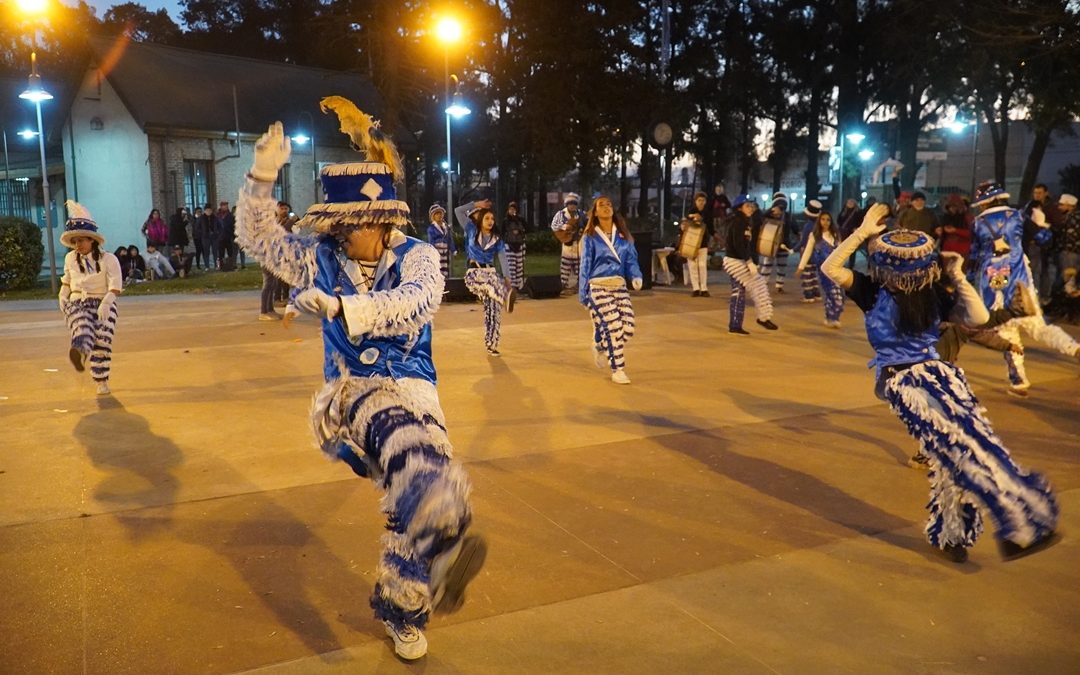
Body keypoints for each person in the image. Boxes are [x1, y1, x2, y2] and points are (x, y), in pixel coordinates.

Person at [235, 101, 485, 662]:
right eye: (334, 228)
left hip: (419, 392)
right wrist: (260, 176)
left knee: (411, 490)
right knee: (400, 439)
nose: (336, 236)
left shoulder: (421, 257)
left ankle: (405, 607)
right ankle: (447, 538)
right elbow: (258, 240)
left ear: (374, 222)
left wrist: (345, 307)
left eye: (345, 227)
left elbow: (414, 303)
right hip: (351, 394)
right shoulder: (318, 257)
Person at [820, 203, 1058, 563]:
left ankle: (955, 533)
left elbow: (830, 267)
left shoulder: (879, 291)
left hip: (928, 377)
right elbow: (979, 317)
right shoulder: (925, 291)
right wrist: (957, 276)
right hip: (917, 383)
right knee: (966, 446)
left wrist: (864, 232)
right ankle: (1020, 521)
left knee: (954, 453)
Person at [968, 181, 1079, 396]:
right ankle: (1073, 347)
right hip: (1019, 279)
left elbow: (973, 258)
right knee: (1036, 325)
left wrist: (970, 283)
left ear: (985, 203)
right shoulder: (1019, 216)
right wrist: (1042, 225)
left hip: (993, 282)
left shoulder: (977, 223)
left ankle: (1018, 379)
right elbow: (1045, 240)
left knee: (1006, 329)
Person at [58, 200, 123, 396]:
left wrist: (106, 303)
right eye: (74, 241)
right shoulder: (70, 259)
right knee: (82, 327)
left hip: (104, 302)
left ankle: (101, 380)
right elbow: (67, 281)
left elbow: (115, 285)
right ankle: (79, 351)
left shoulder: (109, 259)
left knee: (102, 343)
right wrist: (62, 295)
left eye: (81, 240)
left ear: (92, 240)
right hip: (78, 302)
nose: (77, 245)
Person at [579, 196, 642, 384]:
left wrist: (636, 275)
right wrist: (584, 293)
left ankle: (599, 341)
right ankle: (618, 369)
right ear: (595, 212)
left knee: (628, 328)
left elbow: (631, 260)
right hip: (598, 286)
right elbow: (585, 264)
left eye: (609, 204)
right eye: (601, 205)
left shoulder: (623, 236)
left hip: (619, 285)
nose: (606, 207)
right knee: (614, 327)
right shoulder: (589, 236)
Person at [454, 199, 516, 356]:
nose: (490, 221)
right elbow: (458, 211)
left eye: (492, 219)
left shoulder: (497, 239)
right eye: (487, 218)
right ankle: (503, 295)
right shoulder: (470, 230)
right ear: (480, 219)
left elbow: (503, 258)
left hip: (491, 274)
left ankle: (492, 344)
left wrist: (507, 278)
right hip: (474, 274)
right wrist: (476, 205)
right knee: (493, 285)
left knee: (493, 311)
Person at [722, 195, 778, 335]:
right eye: (747, 206)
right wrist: (748, 261)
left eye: (751, 205)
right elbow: (739, 245)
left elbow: (747, 244)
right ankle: (738, 324)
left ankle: (758, 318)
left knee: (751, 288)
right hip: (735, 261)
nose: (750, 208)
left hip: (740, 260)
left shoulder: (745, 221)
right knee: (744, 290)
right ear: (739, 208)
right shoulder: (738, 222)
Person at [796, 210, 844, 327]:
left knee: (838, 295)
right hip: (823, 271)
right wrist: (801, 267)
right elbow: (807, 252)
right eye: (823, 219)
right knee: (832, 293)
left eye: (828, 220)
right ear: (819, 221)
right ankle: (831, 317)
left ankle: (832, 317)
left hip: (837, 269)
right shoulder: (814, 236)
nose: (825, 222)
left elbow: (842, 251)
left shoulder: (836, 235)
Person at [757, 192, 791, 294]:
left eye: (782, 207)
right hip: (770, 244)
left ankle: (779, 285)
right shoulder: (769, 215)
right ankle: (763, 285)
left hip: (783, 245)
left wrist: (797, 233)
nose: (779, 209)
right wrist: (770, 211)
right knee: (767, 264)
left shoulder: (787, 216)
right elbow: (760, 218)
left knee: (782, 266)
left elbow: (792, 226)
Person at [682, 191, 714, 297]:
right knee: (692, 265)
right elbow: (684, 224)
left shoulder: (708, 213)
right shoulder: (690, 212)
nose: (701, 202)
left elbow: (711, 228)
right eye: (699, 200)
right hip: (690, 242)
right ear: (695, 201)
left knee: (702, 265)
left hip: (703, 242)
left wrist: (715, 238)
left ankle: (704, 288)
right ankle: (695, 288)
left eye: (703, 200)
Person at [550, 192, 583, 292]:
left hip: (578, 243)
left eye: (574, 203)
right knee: (565, 264)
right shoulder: (561, 214)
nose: (572, 205)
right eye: (570, 203)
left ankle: (579, 284)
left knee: (579, 264)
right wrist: (565, 227)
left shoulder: (581, 214)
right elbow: (554, 225)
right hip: (567, 242)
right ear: (566, 204)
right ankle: (563, 283)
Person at [795, 200, 824, 302]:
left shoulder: (808, 226)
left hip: (808, 254)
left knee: (807, 275)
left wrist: (794, 249)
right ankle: (817, 294)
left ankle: (809, 296)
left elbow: (803, 242)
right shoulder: (819, 225)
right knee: (813, 275)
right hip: (817, 254)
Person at [936, 193, 972, 265]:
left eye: (955, 207)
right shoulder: (946, 218)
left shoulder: (967, 218)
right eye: (950, 207)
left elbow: (971, 234)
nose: (952, 209)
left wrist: (956, 231)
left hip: (962, 253)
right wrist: (940, 231)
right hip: (947, 252)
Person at [502, 201, 528, 291]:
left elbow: (527, 229)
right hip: (509, 245)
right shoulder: (505, 221)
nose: (512, 211)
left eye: (513, 209)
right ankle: (511, 286)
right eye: (510, 209)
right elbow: (502, 233)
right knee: (511, 267)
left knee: (519, 267)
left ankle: (519, 286)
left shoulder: (520, 220)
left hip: (519, 245)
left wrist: (520, 231)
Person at [426, 203, 455, 280]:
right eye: (437, 214)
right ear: (433, 216)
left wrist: (453, 249)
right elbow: (431, 241)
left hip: (445, 251)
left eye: (440, 213)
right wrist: (432, 251)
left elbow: (449, 239)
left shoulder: (446, 227)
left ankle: (446, 281)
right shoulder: (431, 228)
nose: (439, 216)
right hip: (437, 251)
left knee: (445, 268)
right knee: (438, 268)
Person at [217, 200, 238, 270]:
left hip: (228, 236)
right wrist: (217, 234)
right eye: (224, 205)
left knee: (230, 252)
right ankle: (221, 266)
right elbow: (215, 226)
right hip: (220, 237)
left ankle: (230, 265)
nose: (226, 207)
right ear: (221, 206)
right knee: (221, 253)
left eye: (226, 205)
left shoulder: (230, 215)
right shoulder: (218, 215)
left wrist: (233, 235)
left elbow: (232, 226)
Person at [193, 205, 216, 270]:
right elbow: (196, 228)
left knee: (214, 252)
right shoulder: (201, 218)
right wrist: (203, 233)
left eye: (210, 210)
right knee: (205, 252)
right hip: (203, 237)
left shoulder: (214, 217)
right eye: (207, 210)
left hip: (213, 237)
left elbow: (219, 226)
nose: (209, 212)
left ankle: (216, 265)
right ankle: (206, 266)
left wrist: (216, 233)